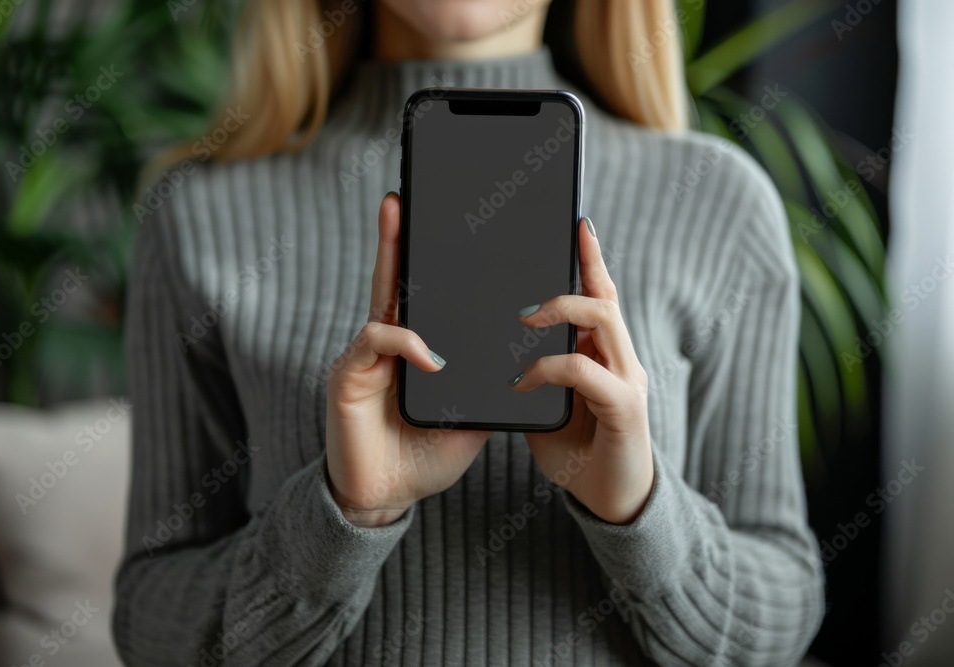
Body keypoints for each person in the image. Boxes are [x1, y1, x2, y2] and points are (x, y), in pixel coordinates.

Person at [113, 1, 825, 664]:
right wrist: (345, 515)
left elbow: (782, 610)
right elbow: (150, 621)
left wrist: (639, 510)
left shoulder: (720, 203)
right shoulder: (198, 215)